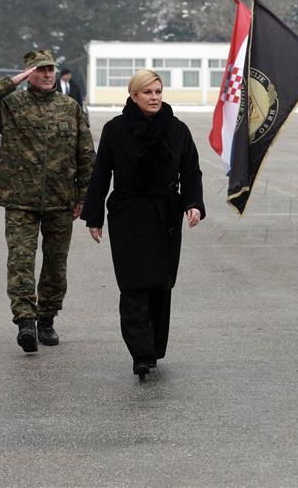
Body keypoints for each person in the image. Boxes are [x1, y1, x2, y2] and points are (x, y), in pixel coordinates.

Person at [0, 50, 95, 352]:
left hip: (60, 201)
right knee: (21, 261)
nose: (48, 74)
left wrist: (83, 198)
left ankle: (46, 319)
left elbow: (86, 156)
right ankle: (25, 322)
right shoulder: (11, 106)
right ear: (28, 74)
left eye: (51, 69)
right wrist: (13, 82)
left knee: (54, 265)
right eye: (40, 70)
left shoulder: (70, 107)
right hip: (20, 200)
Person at [81, 69, 205, 379]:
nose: (154, 97)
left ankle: (154, 348)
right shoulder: (115, 130)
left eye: (158, 91)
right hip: (128, 212)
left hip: (165, 213)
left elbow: (191, 170)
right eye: (148, 92)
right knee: (134, 284)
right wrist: (94, 216)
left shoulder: (177, 130)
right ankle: (141, 352)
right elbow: (101, 174)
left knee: (161, 285)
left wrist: (193, 203)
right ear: (133, 95)